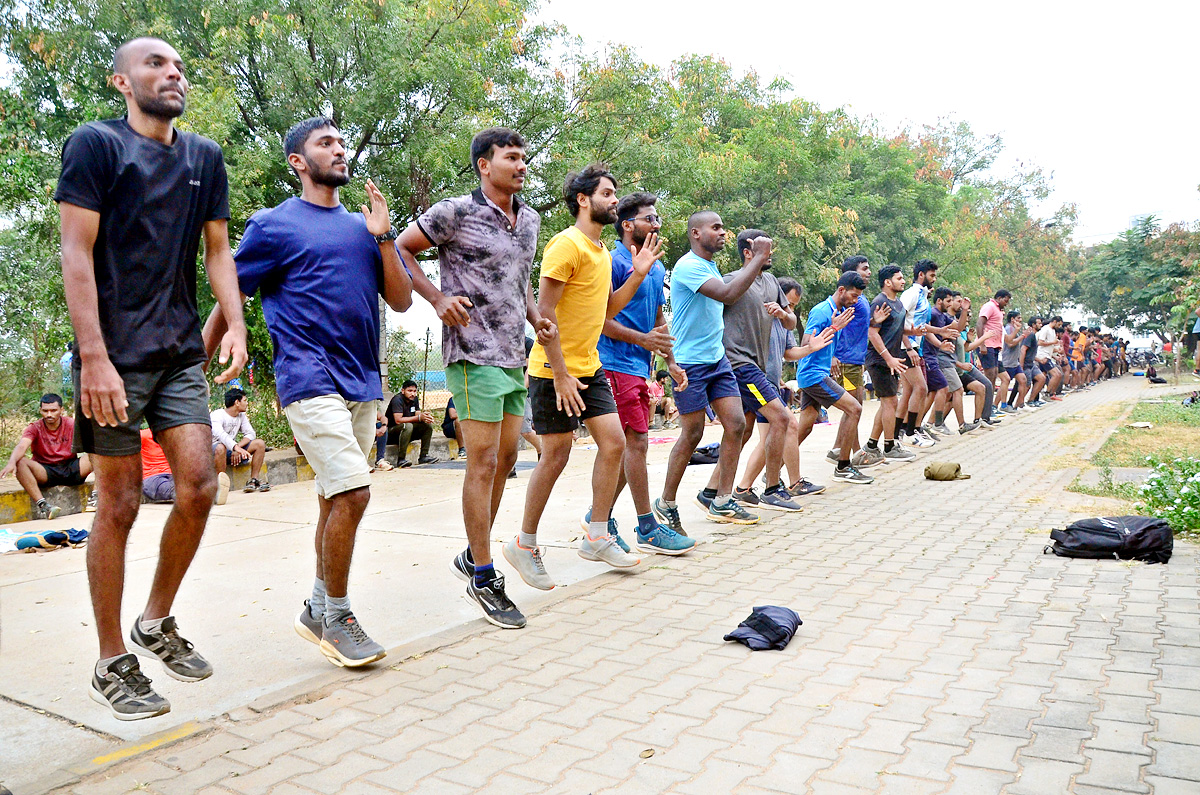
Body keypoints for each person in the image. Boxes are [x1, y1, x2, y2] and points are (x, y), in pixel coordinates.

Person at [57, 37, 248, 720]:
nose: (173, 73)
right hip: (111, 358)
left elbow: (219, 251)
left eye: (179, 66)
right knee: (120, 504)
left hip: (175, 355)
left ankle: (155, 619)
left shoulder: (203, 158)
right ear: (121, 80)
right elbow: (74, 253)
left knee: (200, 480)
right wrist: (94, 356)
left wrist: (236, 322)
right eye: (156, 64)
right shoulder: (95, 146)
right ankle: (112, 661)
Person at [205, 115, 413, 666]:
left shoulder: (361, 227)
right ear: (298, 161)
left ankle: (315, 608)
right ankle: (338, 617)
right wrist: (195, 364)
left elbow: (401, 301)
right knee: (353, 492)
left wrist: (385, 236)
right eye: (326, 144)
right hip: (307, 377)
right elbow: (231, 295)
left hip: (363, 380)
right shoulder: (273, 226)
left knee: (330, 495)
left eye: (343, 143)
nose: (340, 151)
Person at [397, 128, 554, 629]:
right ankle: (483, 574)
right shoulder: (454, 212)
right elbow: (401, 249)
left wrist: (535, 317)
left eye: (524, 157)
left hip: (513, 356)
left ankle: (473, 553)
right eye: (512, 157)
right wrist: (437, 299)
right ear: (484, 165)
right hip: (470, 354)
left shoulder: (528, 220)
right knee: (482, 461)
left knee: (508, 459)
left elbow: (520, 279)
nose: (522, 165)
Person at [518, 163, 657, 585]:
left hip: (589, 366)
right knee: (555, 455)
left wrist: (637, 275)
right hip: (552, 370)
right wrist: (559, 374)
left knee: (615, 444)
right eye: (608, 193)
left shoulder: (598, 252)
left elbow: (606, 312)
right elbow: (544, 316)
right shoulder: (567, 245)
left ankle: (597, 535)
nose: (615, 200)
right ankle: (524, 544)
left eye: (616, 194)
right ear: (584, 199)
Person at [653, 212, 769, 534]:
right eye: (715, 228)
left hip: (717, 360)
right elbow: (729, 294)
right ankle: (666, 503)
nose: (722, 232)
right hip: (689, 364)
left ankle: (721, 499)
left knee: (735, 424)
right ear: (695, 233)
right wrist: (758, 258)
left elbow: (730, 291)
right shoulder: (689, 266)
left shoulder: (709, 266)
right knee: (692, 434)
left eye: (722, 227)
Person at [594, 191, 694, 554]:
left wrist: (671, 361)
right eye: (649, 218)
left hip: (641, 366)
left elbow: (657, 318)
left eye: (657, 218)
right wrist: (646, 342)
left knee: (629, 447)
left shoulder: (657, 266)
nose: (656, 224)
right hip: (614, 364)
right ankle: (647, 526)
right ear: (626, 224)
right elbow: (602, 321)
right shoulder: (614, 262)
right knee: (634, 444)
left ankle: (598, 515)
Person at [696, 228, 805, 513]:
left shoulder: (771, 282)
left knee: (740, 433)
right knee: (782, 419)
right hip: (739, 365)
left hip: (757, 365)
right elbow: (707, 321)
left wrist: (784, 314)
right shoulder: (730, 282)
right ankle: (772, 488)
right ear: (748, 252)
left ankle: (710, 491)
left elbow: (792, 323)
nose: (770, 255)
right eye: (764, 249)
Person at [734, 277, 834, 497]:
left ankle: (742, 488)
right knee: (788, 424)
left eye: (794, 306)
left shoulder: (785, 324)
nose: (791, 310)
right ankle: (791, 483)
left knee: (767, 437)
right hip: (754, 380)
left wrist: (810, 348)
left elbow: (789, 353)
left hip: (768, 383)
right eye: (788, 304)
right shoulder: (759, 318)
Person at [794, 272, 873, 484]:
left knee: (805, 427)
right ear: (841, 290)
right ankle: (844, 467)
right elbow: (806, 343)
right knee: (854, 408)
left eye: (858, 298)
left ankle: (771, 473)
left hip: (816, 374)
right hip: (813, 375)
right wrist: (833, 328)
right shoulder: (822, 311)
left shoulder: (838, 311)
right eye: (854, 296)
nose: (855, 301)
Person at [2, 394, 94, 519]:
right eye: (45, 411)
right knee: (20, 462)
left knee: (98, 452)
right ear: (40, 410)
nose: (49, 414)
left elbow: (91, 441)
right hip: (46, 471)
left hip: (71, 468)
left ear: (61, 410)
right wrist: (11, 462)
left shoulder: (72, 424)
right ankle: (44, 506)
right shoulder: (34, 428)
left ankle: (95, 497)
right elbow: (22, 446)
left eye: (53, 410)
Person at [863, 266, 918, 463]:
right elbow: (872, 332)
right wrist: (888, 358)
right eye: (899, 278)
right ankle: (889, 446)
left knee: (888, 402)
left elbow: (898, 328)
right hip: (879, 360)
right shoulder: (880, 302)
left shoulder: (898, 305)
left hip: (892, 360)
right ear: (888, 282)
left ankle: (871, 445)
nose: (903, 281)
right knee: (891, 402)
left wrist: (914, 333)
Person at [827, 256, 874, 466]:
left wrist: (875, 321)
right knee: (853, 407)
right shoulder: (847, 299)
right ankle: (854, 452)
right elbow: (836, 326)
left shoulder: (859, 298)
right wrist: (833, 355)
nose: (869, 272)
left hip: (856, 360)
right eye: (864, 269)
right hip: (845, 361)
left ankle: (838, 449)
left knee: (854, 406)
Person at [896, 260, 939, 447]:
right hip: (906, 348)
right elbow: (898, 320)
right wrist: (909, 347)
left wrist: (942, 331)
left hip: (915, 347)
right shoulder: (911, 294)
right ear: (921, 275)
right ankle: (911, 432)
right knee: (921, 388)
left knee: (908, 392)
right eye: (932, 275)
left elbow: (920, 325)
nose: (934, 279)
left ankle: (897, 434)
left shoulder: (922, 295)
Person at [211, 388, 270, 492]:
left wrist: (238, 448)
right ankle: (219, 486)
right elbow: (221, 435)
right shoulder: (217, 415)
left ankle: (253, 480)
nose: (247, 403)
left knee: (259, 444)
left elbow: (251, 433)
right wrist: (236, 448)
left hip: (230, 450)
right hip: (213, 452)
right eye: (245, 400)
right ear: (237, 402)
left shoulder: (241, 416)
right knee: (221, 447)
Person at [385, 380, 440, 466]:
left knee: (427, 426)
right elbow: (398, 420)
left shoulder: (414, 399)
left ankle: (423, 456)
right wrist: (418, 417)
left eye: (414, 391)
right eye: (410, 391)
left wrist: (425, 418)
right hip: (391, 433)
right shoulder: (397, 400)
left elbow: (417, 416)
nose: (413, 394)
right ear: (403, 391)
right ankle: (401, 459)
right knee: (408, 426)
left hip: (407, 433)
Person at [977, 290, 1011, 411]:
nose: (1006, 303)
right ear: (999, 298)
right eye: (1005, 300)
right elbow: (980, 323)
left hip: (995, 347)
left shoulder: (998, 310)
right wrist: (982, 344)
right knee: (989, 377)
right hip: (987, 345)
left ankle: (989, 408)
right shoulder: (989, 306)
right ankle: (985, 410)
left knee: (993, 376)